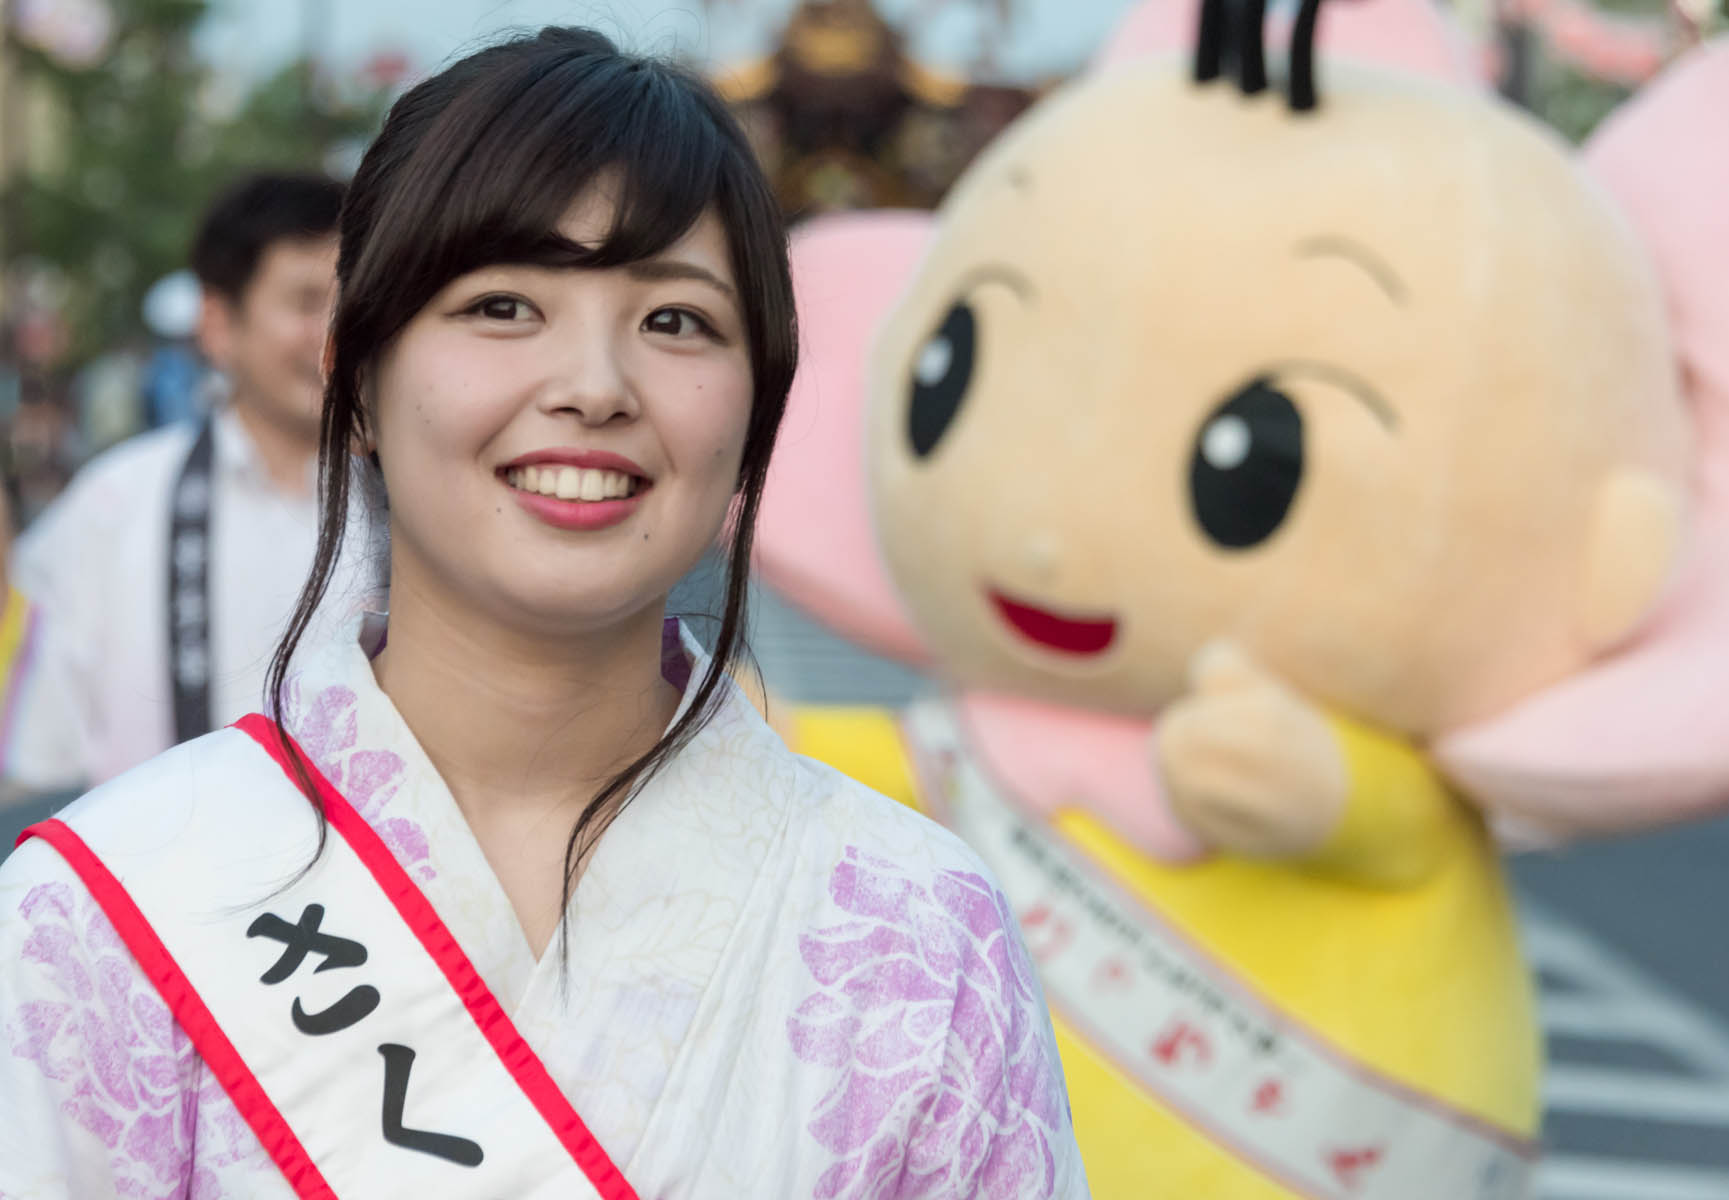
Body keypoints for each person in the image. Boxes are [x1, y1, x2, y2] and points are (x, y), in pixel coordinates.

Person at [0, 28, 1085, 1198]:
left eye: (676, 321)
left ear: (755, 411)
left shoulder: (922, 937)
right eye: (504, 304)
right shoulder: (107, 912)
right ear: (356, 378)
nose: (594, 387)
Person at [0, 171, 353, 792]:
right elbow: (40, 746)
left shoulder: (418, 499)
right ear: (217, 324)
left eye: (354, 301)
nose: (333, 332)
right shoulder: (114, 505)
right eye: (304, 302)